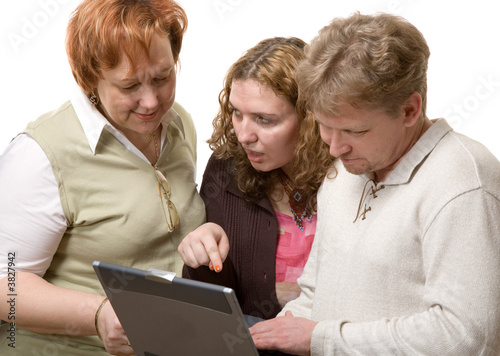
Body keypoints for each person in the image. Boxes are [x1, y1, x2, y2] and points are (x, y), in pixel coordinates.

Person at [249, 12, 500, 355]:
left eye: (355, 131)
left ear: (410, 110)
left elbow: (467, 336)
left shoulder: (464, 183)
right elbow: (313, 298)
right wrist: (259, 341)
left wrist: (323, 340)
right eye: (325, 125)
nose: (335, 148)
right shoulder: (343, 172)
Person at [0, 0, 205, 355]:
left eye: (162, 77)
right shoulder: (41, 154)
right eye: (128, 86)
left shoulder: (179, 123)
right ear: (90, 78)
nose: (151, 101)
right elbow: (6, 285)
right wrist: (96, 315)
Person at [178, 37, 334, 320]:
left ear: (309, 118)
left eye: (265, 120)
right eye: (237, 113)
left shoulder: (351, 171)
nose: (244, 135)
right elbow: (213, 309)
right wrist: (201, 257)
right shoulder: (227, 169)